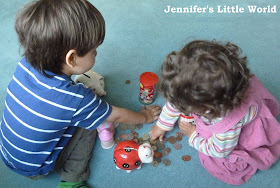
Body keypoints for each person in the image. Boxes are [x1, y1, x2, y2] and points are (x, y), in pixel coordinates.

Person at [0, 0, 161, 188]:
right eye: (94, 51)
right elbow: (117, 114)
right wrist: (144, 116)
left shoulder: (25, 63)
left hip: (7, 153)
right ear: (72, 58)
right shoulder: (77, 99)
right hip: (37, 167)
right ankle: (72, 179)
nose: (96, 54)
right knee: (92, 124)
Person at [149, 40, 280, 185]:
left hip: (239, 128)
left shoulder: (226, 123)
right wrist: (163, 124)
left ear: (208, 109)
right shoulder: (189, 88)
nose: (177, 105)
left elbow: (219, 150)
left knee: (224, 165)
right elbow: (176, 101)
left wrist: (193, 136)